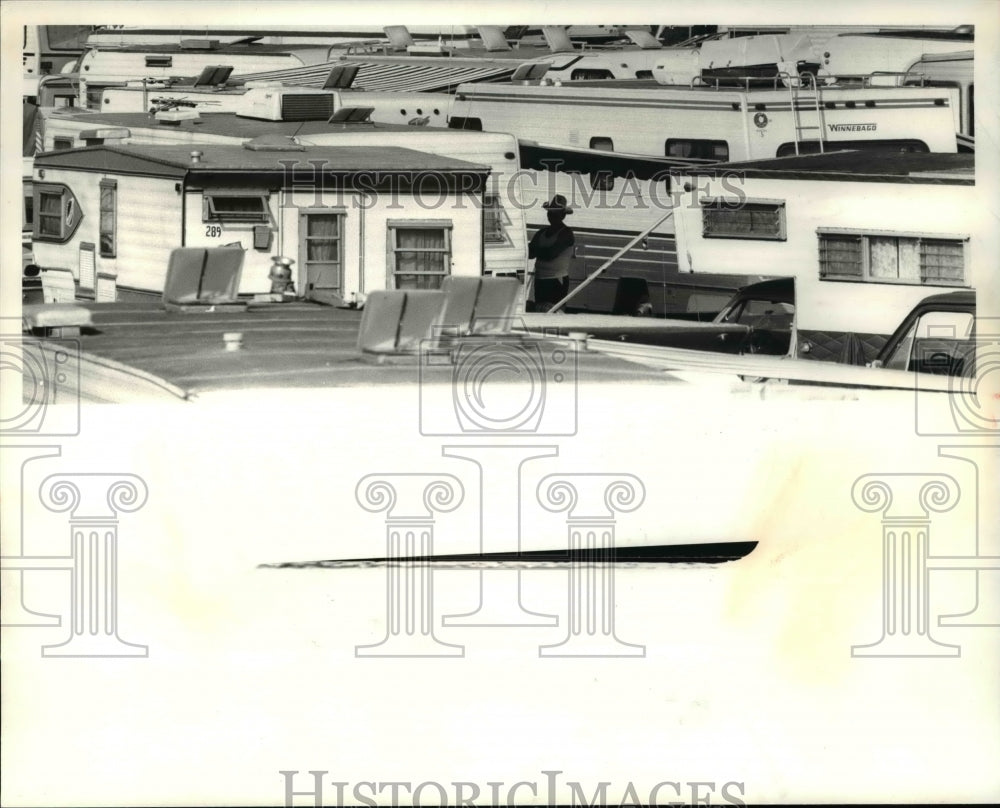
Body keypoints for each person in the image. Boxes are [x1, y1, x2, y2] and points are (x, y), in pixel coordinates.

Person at [528, 195, 575, 312]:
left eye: (555, 213)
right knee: (540, 310)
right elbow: (530, 254)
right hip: (540, 279)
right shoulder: (541, 232)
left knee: (554, 312)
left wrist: (538, 249)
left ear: (563, 216)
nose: (551, 215)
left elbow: (550, 254)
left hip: (556, 281)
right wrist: (541, 251)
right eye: (550, 212)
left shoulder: (567, 233)